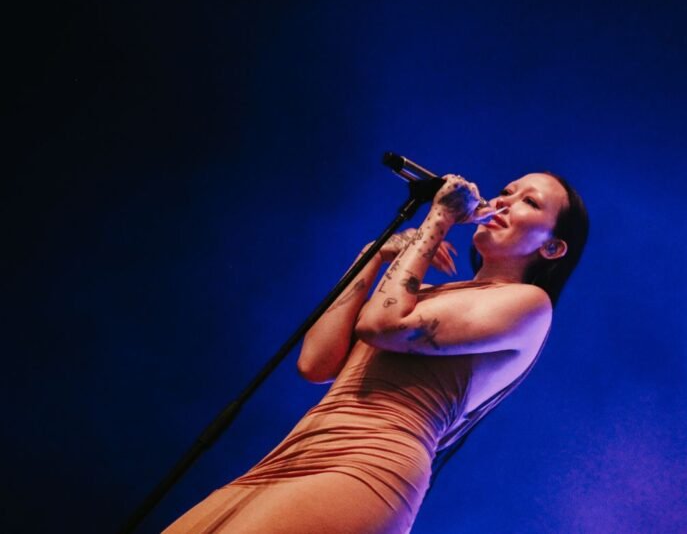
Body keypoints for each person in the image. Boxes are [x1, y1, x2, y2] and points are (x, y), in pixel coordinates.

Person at [165, 171, 589, 533]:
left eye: (529, 202)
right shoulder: (425, 293)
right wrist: (371, 256)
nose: (504, 201)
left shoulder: (529, 305)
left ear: (552, 247)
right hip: (298, 447)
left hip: (368, 464)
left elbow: (382, 325)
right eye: (506, 191)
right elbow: (316, 363)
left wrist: (438, 218)